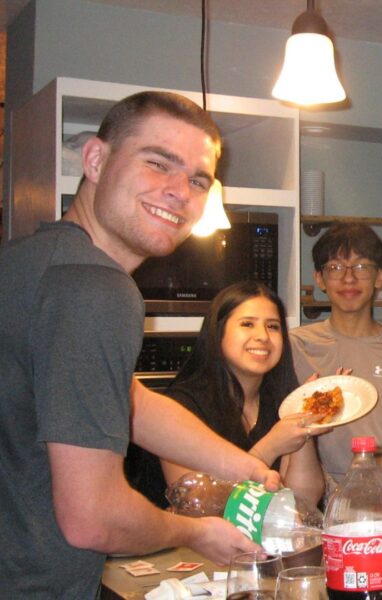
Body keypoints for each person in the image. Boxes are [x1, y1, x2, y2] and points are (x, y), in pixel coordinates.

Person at [0, 91, 279, 598]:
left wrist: (246, 469)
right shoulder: (96, 288)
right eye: (157, 164)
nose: (179, 192)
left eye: (198, 180)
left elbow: (129, 401)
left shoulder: (29, 261)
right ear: (96, 159)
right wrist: (197, 532)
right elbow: (94, 519)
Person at [127, 281, 328, 509]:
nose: (262, 336)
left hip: (258, 541)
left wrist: (302, 416)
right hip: (180, 544)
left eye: (273, 326)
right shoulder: (182, 406)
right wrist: (271, 445)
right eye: (247, 324)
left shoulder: (278, 401)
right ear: (218, 331)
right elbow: (194, 504)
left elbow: (304, 502)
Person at [290, 223, 382, 490]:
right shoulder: (295, 346)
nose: (348, 279)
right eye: (335, 267)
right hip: (316, 499)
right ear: (319, 279)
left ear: (380, 277)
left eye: (361, 267)